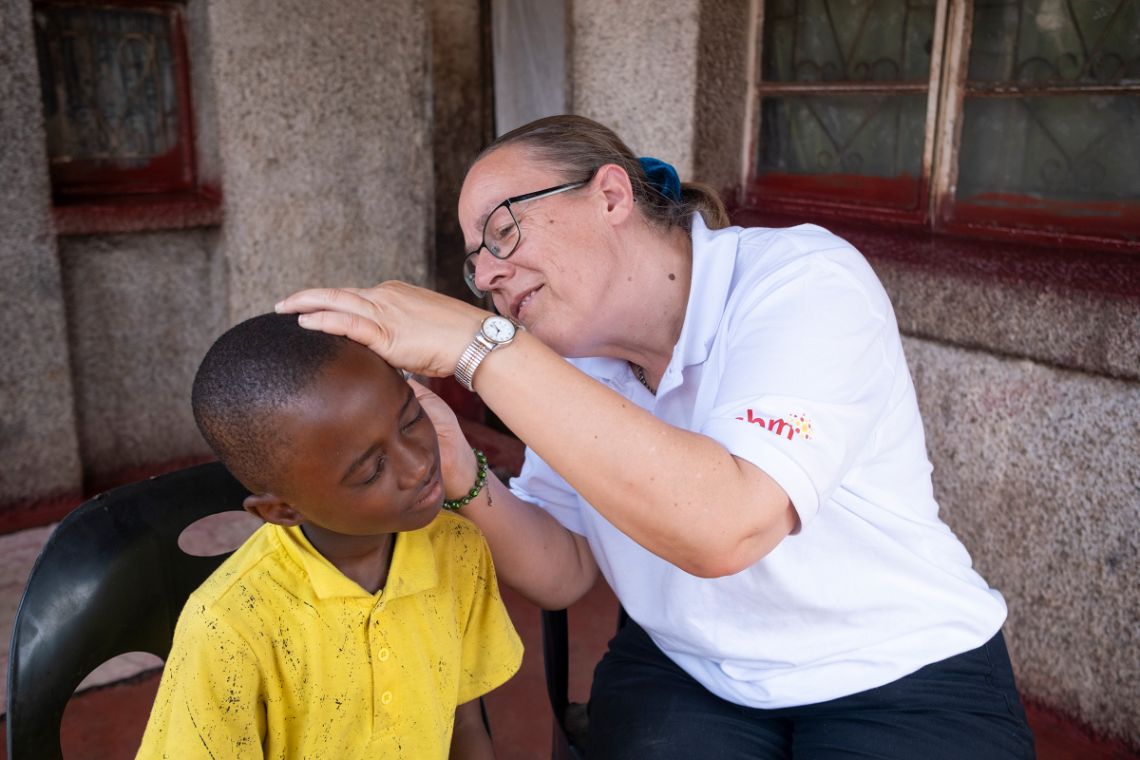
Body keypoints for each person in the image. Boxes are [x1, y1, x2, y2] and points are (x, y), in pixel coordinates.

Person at [276, 114, 1036, 759]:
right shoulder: (572, 364)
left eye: (502, 232)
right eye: (476, 265)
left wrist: (477, 344)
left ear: (611, 195)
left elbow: (725, 527)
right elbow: (565, 568)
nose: (490, 276)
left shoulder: (802, 281)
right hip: (689, 666)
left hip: (897, 666)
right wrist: (459, 467)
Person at [136, 313, 522, 760]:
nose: (418, 465)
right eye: (371, 470)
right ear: (282, 510)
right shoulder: (228, 628)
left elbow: (465, 724)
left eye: (411, 419)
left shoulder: (457, 550)